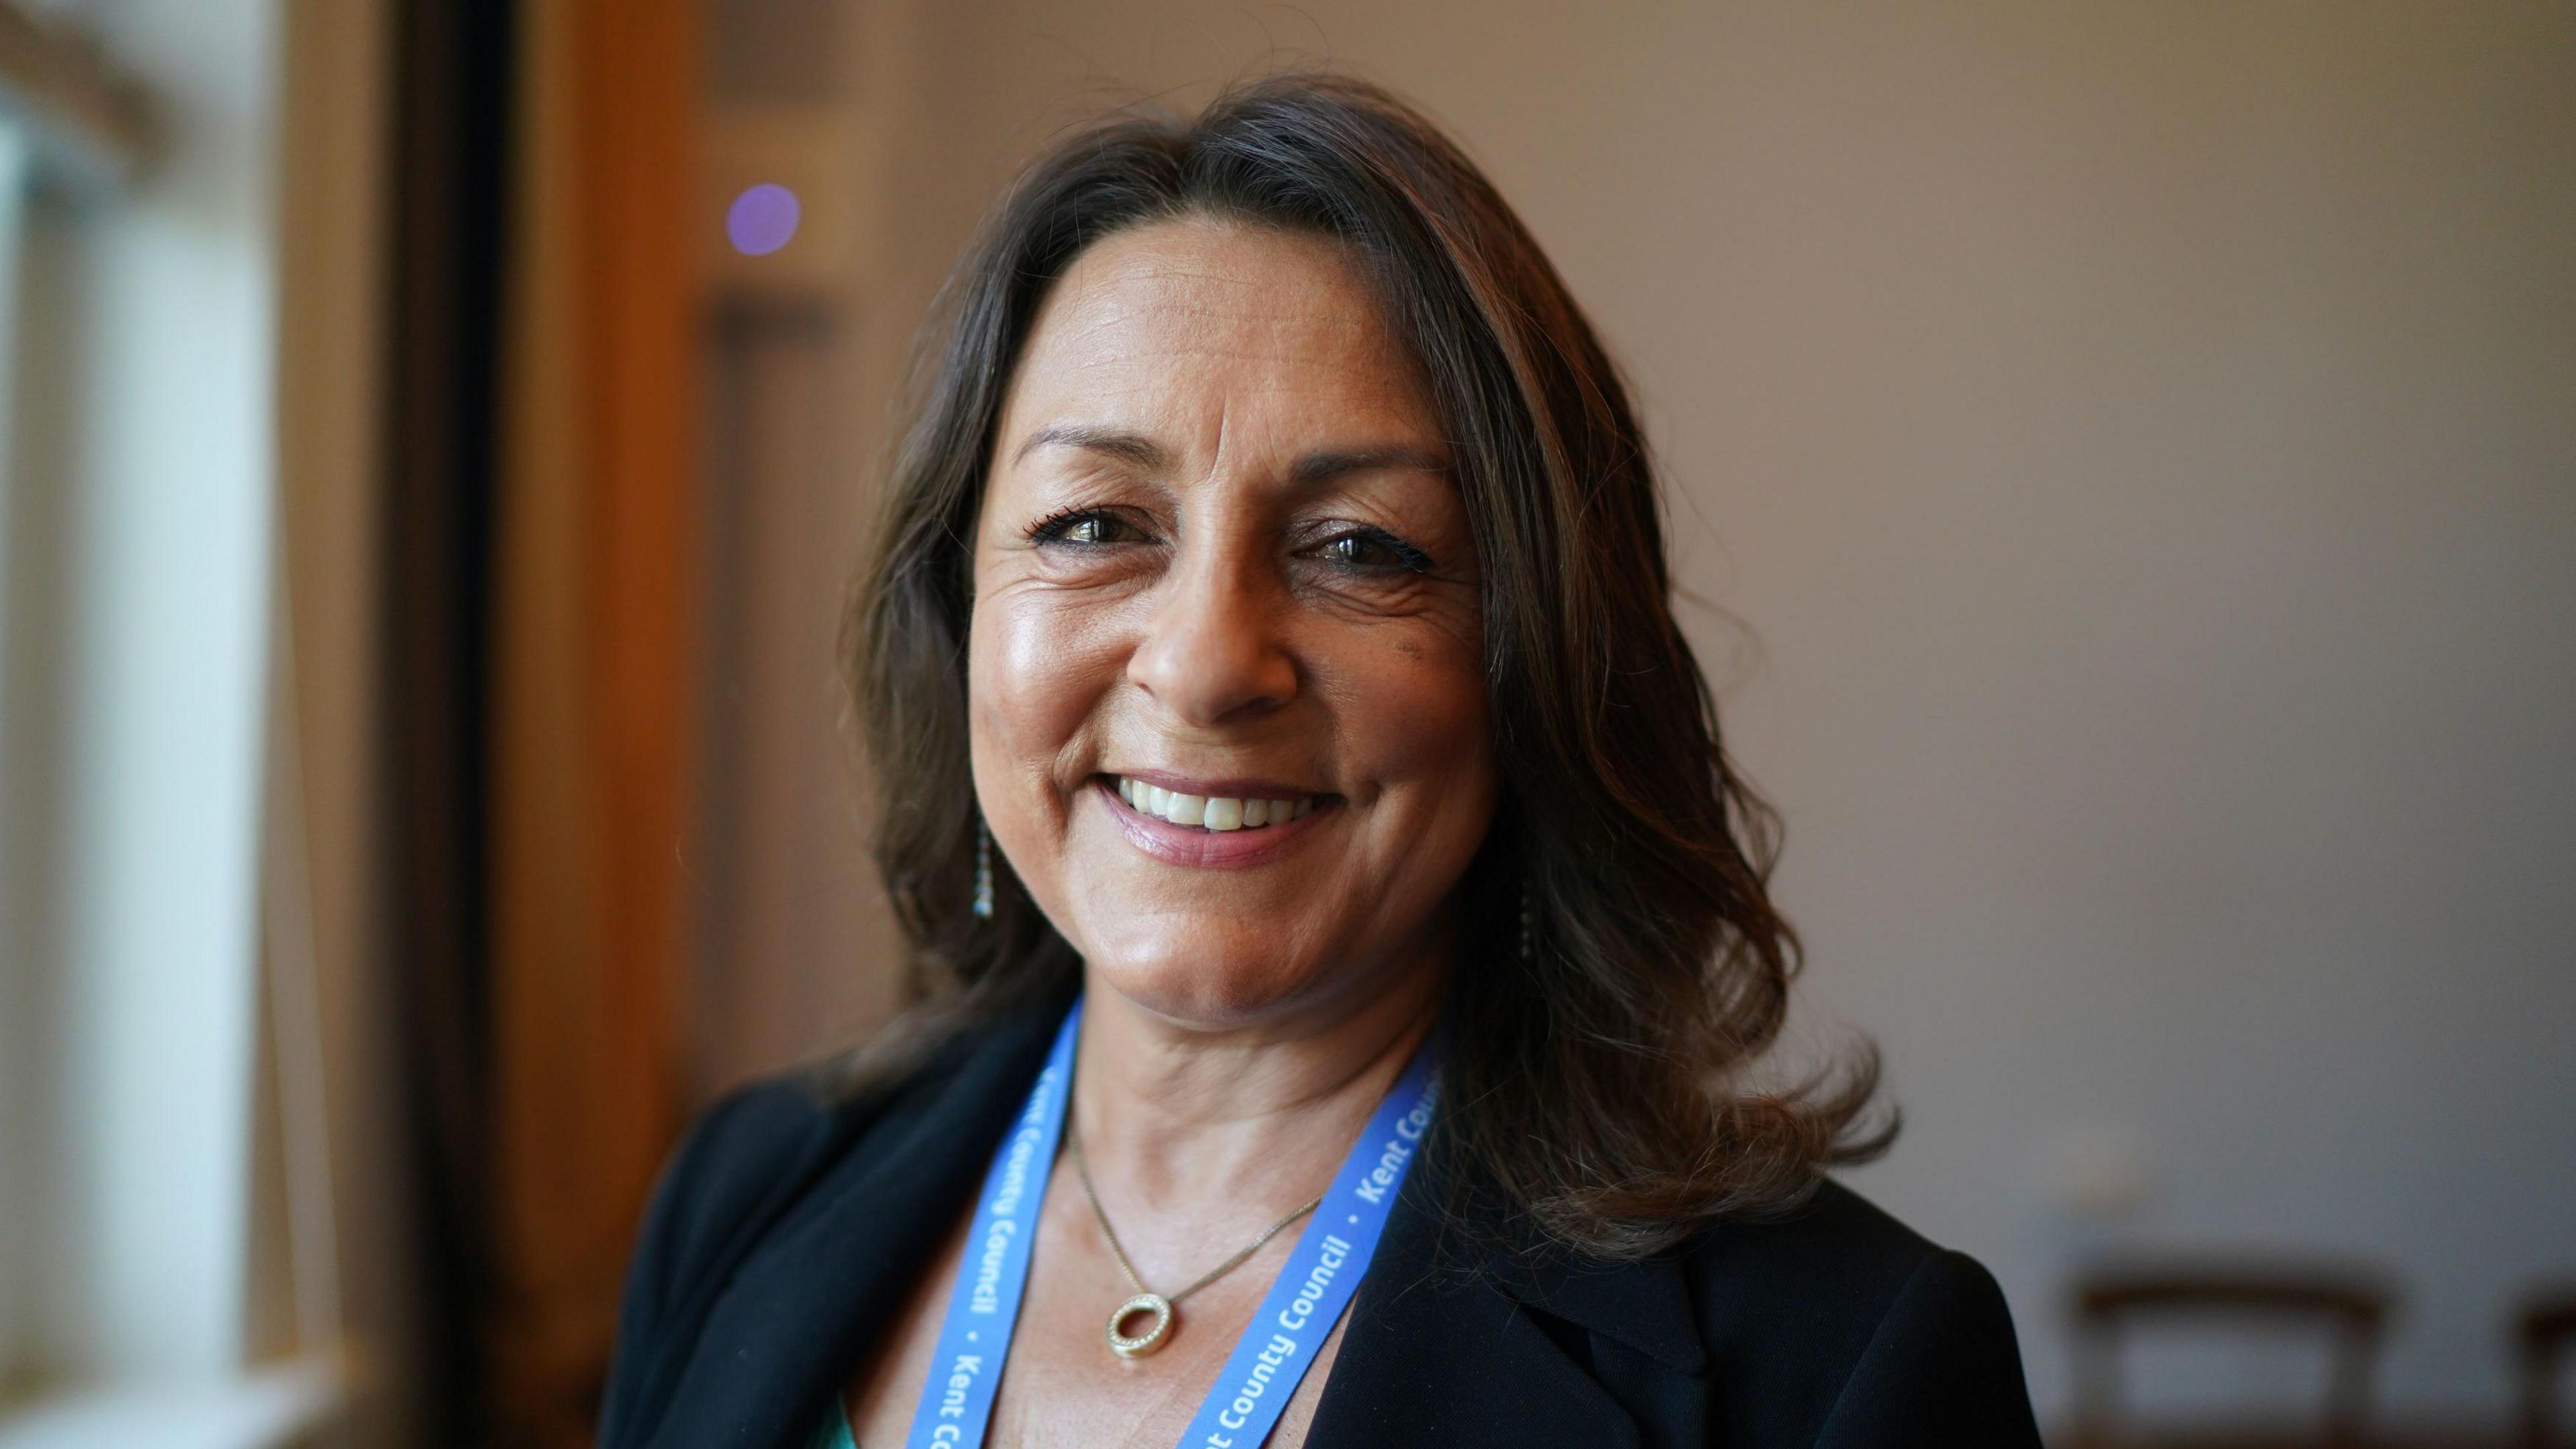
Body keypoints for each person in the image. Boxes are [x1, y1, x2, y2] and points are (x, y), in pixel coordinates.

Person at [598, 74, 2041, 1449]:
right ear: (957, 616)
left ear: (1533, 664)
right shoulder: (741, 1201)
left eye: (1360, 549)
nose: (1210, 664)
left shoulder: (1843, 1373)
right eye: (1097, 525)